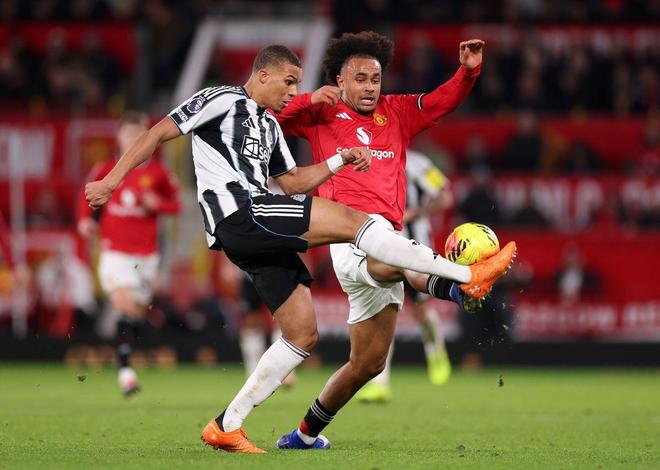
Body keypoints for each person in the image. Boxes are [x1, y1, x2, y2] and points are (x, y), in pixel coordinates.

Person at [84, 45, 515, 453]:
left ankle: (227, 425)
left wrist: (340, 160)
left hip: (255, 229)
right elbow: (158, 133)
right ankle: (464, 276)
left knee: (302, 332)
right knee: (355, 222)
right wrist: (110, 181)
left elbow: (292, 183)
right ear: (263, 74)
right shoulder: (220, 99)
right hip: (240, 211)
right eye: (288, 82)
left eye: (297, 84)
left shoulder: (270, 127)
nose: (292, 91)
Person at [272, 31, 496, 450]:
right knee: (392, 259)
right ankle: (456, 286)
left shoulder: (396, 112)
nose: (369, 87)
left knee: (367, 365)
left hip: (388, 237)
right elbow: (267, 117)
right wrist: (308, 98)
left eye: (375, 79)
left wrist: (467, 72)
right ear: (340, 81)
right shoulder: (322, 113)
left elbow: (439, 102)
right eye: (360, 79)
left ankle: (303, 435)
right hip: (346, 232)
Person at [77, 111, 181, 396]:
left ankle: (127, 356)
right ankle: (125, 373)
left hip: (147, 256)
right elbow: (86, 197)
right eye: (128, 134)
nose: (133, 139)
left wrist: (158, 204)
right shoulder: (105, 169)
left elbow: (176, 205)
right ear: (119, 137)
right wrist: (85, 221)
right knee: (123, 307)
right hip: (114, 252)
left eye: (139, 134)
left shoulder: (159, 173)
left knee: (135, 314)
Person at [355, 149, 454, 403]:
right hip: (381, 247)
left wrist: (414, 213)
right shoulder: (369, 157)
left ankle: (435, 349)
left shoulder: (419, 163)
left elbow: (445, 198)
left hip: (415, 245)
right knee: (380, 312)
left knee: (419, 311)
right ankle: (379, 383)